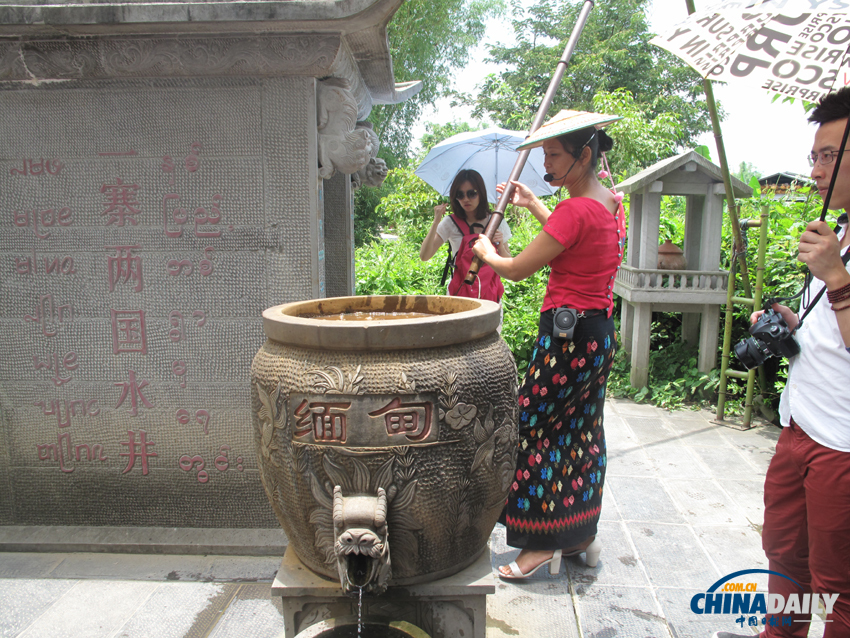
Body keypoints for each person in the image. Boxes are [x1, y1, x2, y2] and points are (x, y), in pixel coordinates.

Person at [712, 92, 850, 638]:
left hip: (842, 444)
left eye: (828, 156)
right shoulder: (837, 232)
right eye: (813, 155)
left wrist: (837, 280)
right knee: (785, 560)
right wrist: (795, 321)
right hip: (801, 424)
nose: (813, 170)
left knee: (838, 584)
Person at [470, 110, 625, 580]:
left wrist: (485, 253)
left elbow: (516, 268)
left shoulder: (575, 210)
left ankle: (539, 543)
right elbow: (572, 236)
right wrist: (535, 203)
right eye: (543, 155)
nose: (547, 165)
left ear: (583, 154)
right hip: (596, 336)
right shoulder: (610, 204)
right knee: (580, 431)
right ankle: (578, 534)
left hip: (566, 342)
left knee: (534, 429)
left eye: (554, 155)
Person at [419, 169, 511, 301]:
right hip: (459, 296)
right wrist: (435, 222)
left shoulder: (496, 222)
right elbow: (424, 256)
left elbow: (509, 266)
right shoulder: (450, 223)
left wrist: (501, 247)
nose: (466, 199)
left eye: (471, 193)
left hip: (490, 297)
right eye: (460, 195)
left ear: (481, 193)